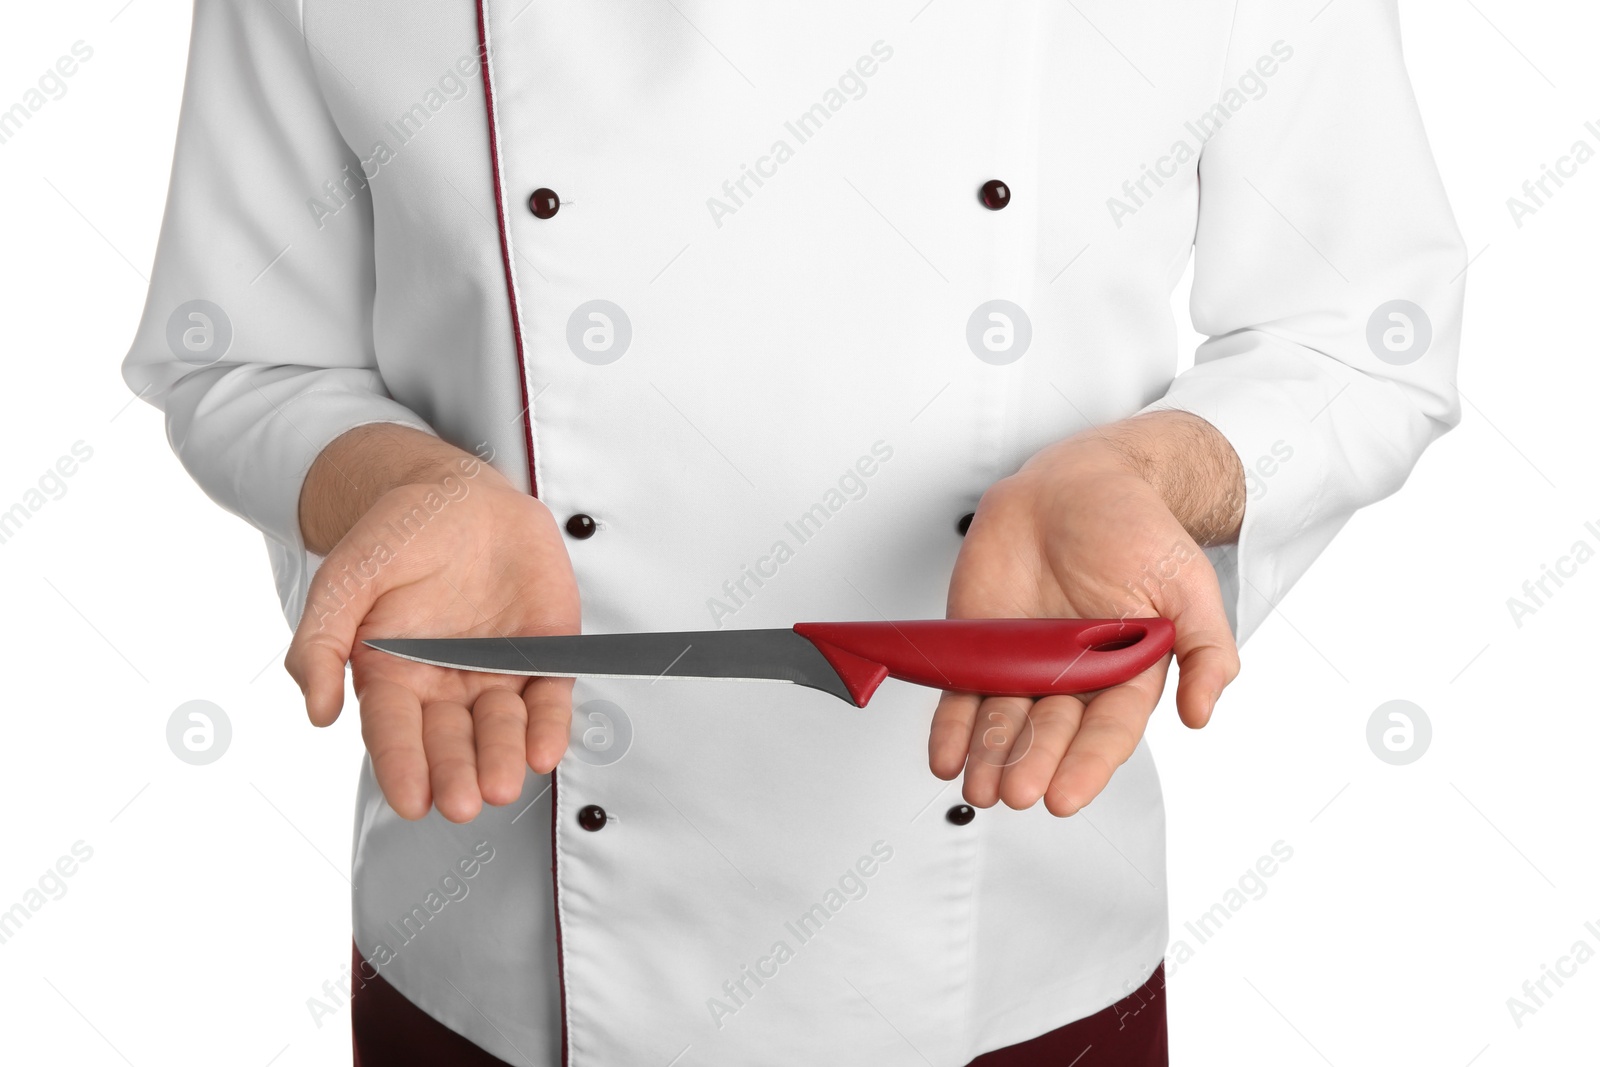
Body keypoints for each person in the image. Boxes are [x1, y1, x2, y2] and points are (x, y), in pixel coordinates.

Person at [123, 1, 1464, 1063]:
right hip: (492, 957)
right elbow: (237, 352)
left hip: (1020, 964)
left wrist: (1161, 470)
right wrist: (387, 480)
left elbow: (1361, 332)